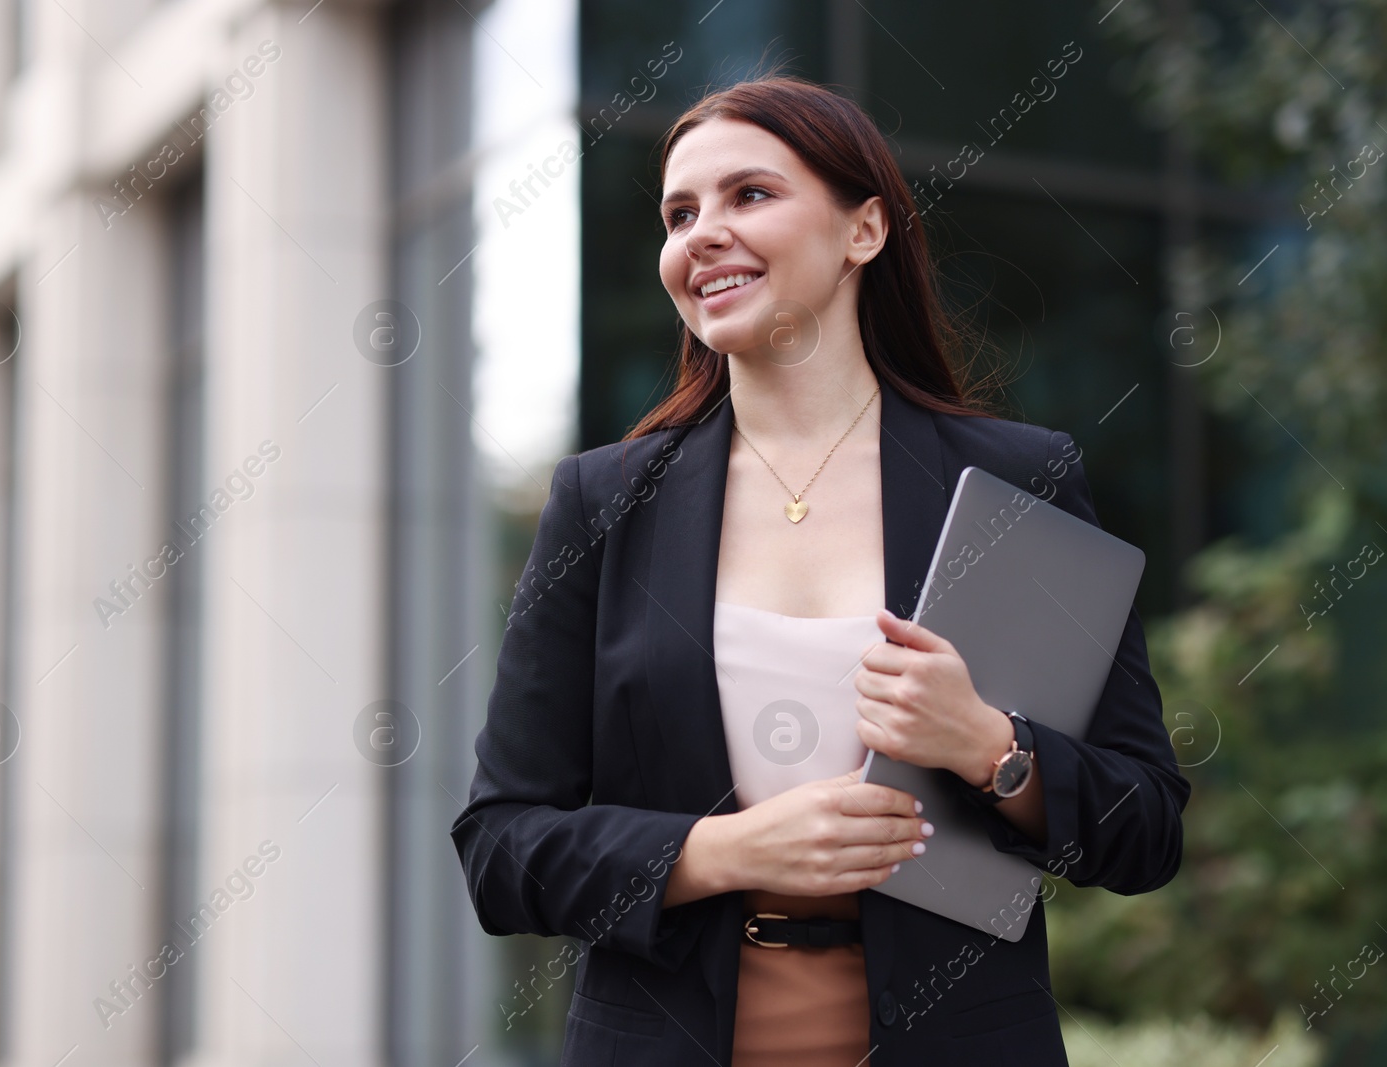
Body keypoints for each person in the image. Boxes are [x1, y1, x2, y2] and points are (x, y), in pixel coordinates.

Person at [451, 77, 1189, 1066]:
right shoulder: (603, 504)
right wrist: (724, 849)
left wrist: (988, 746)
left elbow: (1144, 826)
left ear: (864, 231)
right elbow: (500, 847)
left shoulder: (1015, 479)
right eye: (680, 213)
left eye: (748, 195)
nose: (700, 232)